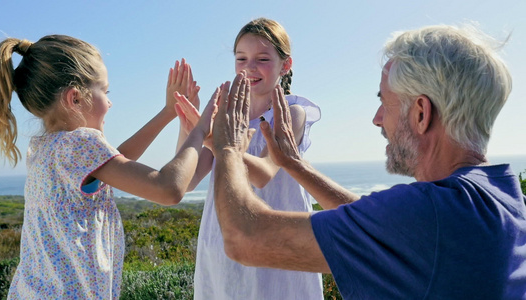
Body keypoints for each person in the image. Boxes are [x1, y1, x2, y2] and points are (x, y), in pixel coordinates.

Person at [210, 24, 526, 299]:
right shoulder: (505, 199)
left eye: (384, 102)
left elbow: (244, 239)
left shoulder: (429, 215)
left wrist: (227, 147)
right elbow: (379, 224)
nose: (377, 120)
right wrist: (296, 165)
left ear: (420, 113)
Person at [0, 35, 216, 299]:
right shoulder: (81, 144)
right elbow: (168, 189)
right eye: (104, 91)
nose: (109, 102)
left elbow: (116, 160)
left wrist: (169, 112)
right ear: (75, 98)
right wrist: (200, 130)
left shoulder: (45, 149)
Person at [173, 18, 323, 299]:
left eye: (262, 58)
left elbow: (264, 174)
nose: (249, 67)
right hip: (224, 241)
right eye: (241, 58)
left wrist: (213, 139)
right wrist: (188, 126)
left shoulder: (291, 113)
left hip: (278, 242)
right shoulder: (225, 115)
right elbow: (189, 179)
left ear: (285, 65)